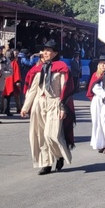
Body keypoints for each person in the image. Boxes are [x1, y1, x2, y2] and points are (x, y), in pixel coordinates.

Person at [20, 40, 75, 175]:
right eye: (44, 50)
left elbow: (65, 90)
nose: (45, 52)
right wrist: (25, 107)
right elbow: (33, 89)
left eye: (49, 50)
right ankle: (46, 164)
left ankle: (60, 155)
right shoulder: (38, 69)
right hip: (39, 104)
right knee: (39, 136)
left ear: (55, 53)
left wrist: (63, 108)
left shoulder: (62, 68)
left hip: (54, 103)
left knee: (51, 134)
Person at [1, 49, 21, 116]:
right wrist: (17, 81)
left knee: (5, 96)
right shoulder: (14, 62)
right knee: (8, 96)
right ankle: (6, 110)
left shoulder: (4, 61)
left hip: (4, 79)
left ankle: (3, 109)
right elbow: (16, 72)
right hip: (10, 80)